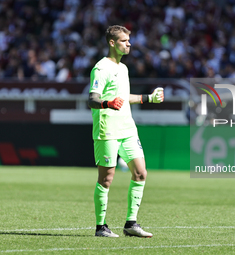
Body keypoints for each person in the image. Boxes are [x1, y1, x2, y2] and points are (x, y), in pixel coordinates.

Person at [87, 25, 164, 238]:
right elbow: (92, 99)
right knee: (107, 178)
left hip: (127, 127)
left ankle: (131, 224)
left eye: (128, 40)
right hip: (107, 128)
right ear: (112, 43)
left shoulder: (123, 68)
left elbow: (125, 96)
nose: (128, 44)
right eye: (124, 40)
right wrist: (107, 103)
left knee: (140, 173)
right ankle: (100, 227)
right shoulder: (101, 68)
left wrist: (149, 98)